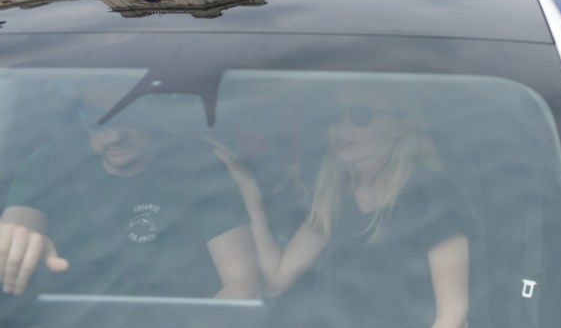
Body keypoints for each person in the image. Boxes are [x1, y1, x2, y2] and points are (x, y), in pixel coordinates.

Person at [210, 93, 470, 326]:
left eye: (361, 116)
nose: (342, 126)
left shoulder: (431, 195)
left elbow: (452, 314)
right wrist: (249, 191)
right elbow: (276, 280)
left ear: (399, 127)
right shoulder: (335, 195)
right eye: (336, 114)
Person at [0, 112, 259, 300]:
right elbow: (15, 231)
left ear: (151, 114)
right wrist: (18, 242)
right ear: (80, 118)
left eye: (128, 116)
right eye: (98, 119)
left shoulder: (197, 164)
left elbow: (241, 281)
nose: (114, 136)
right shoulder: (50, 163)